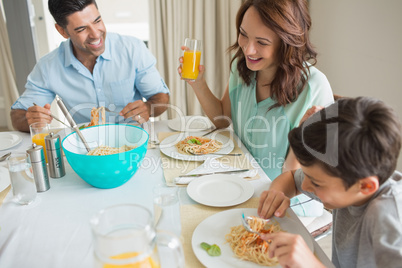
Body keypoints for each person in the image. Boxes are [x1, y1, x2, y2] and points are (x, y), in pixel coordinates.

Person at [178, 0, 333, 180]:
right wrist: (198, 82)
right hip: (244, 183)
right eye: (243, 34)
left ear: (286, 44)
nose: (248, 50)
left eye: (262, 42)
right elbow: (222, 119)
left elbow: (312, 174)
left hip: (288, 198)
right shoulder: (241, 67)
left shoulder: (314, 87)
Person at [258, 97, 402, 268]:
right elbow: (291, 179)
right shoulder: (347, 177)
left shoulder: (390, 219)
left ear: (365, 186)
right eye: (306, 175)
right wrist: (277, 194)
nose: (305, 186)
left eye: (316, 183)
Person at [11, 0, 169, 132]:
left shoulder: (132, 49)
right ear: (62, 31)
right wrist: (30, 119)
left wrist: (148, 108)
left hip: (134, 139)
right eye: (81, 29)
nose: (95, 34)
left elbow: (161, 98)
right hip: (87, 149)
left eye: (97, 21)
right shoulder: (48, 67)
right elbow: (17, 116)